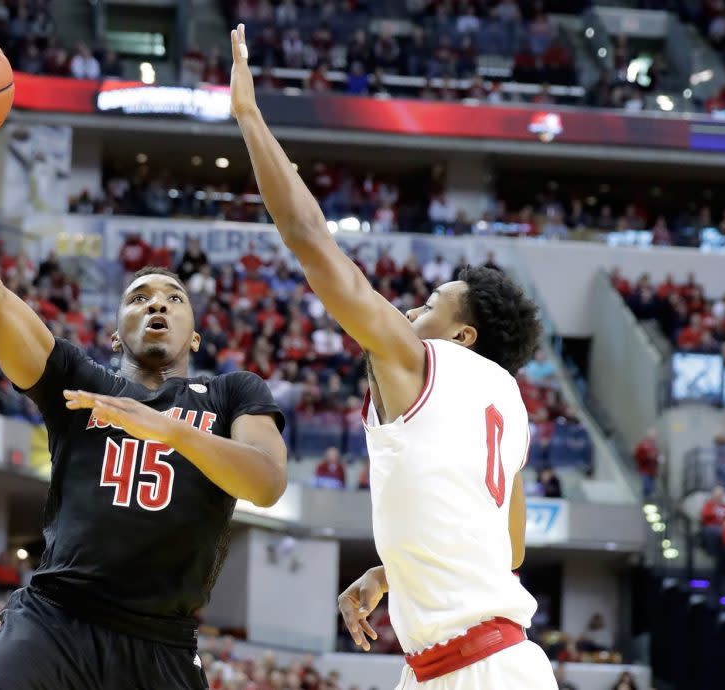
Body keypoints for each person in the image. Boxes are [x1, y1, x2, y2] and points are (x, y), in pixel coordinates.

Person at [0, 55, 288, 690]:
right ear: (113, 333)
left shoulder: (234, 391)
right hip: (55, 622)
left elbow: (266, 483)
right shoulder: (81, 381)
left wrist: (173, 432)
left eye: (173, 297)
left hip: (162, 643)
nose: (156, 303)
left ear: (197, 333)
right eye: (139, 297)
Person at [230, 23, 555, 690]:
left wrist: (249, 116)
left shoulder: (420, 363)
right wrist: (392, 571)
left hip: (478, 669)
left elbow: (308, 238)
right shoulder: (509, 402)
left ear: (461, 335)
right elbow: (511, 547)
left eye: (433, 301)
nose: (412, 310)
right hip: (470, 662)